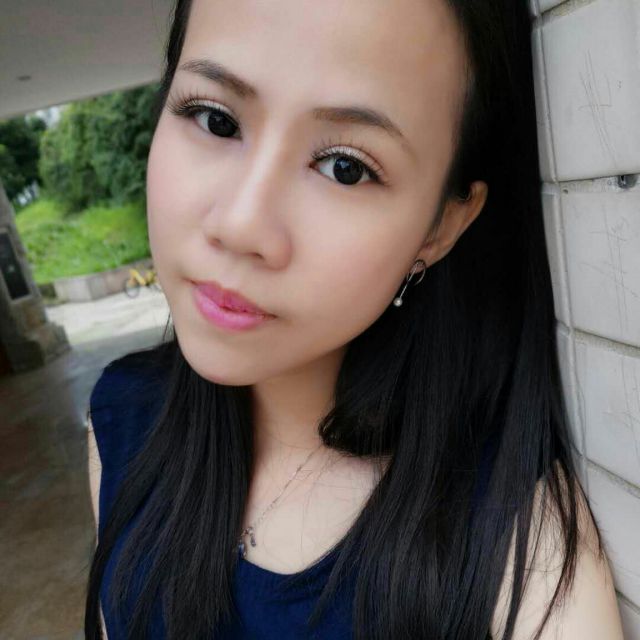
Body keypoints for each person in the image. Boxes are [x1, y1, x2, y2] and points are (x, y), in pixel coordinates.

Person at [84, 0, 625, 638]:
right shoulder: (120, 424)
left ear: (442, 225)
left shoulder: (525, 556)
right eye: (216, 120)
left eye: (346, 168)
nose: (241, 224)